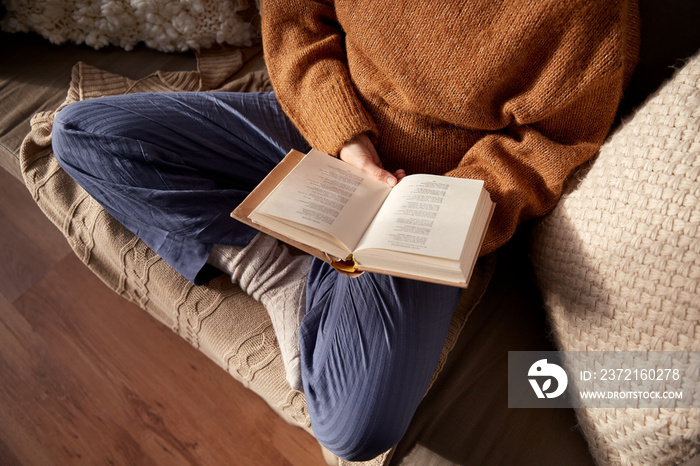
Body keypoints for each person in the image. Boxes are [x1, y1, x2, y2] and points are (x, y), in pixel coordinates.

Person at [51, 0, 639, 461]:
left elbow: (550, 147)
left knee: (351, 427)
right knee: (81, 134)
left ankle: (319, 257)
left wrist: (438, 200)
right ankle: (277, 268)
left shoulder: (596, 16)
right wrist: (347, 141)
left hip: (432, 198)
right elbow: (292, 16)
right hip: (317, 123)